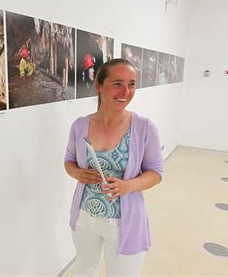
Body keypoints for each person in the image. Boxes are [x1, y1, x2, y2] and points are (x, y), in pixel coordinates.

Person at [64, 58, 163, 276]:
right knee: (84, 269)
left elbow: (155, 172)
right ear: (99, 86)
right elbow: (68, 162)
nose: (126, 91)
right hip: (85, 217)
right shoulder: (80, 125)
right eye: (117, 83)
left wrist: (128, 186)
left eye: (132, 84)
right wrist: (78, 173)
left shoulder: (144, 127)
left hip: (123, 222)